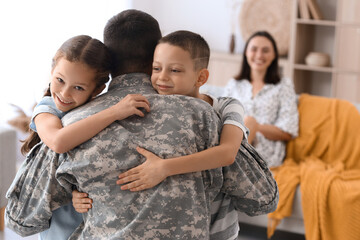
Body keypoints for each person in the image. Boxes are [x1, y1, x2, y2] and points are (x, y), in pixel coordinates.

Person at [6, 10, 278, 239]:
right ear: (155, 55)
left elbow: (20, 218)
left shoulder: (70, 123)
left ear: (108, 60)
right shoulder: (204, 115)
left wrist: (73, 196)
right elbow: (263, 198)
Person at [73, 30, 249, 240]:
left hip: (218, 226)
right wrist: (78, 194)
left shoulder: (226, 106)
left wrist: (164, 168)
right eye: (156, 68)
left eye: (174, 70)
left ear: (201, 77)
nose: (162, 77)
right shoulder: (152, 102)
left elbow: (228, 153)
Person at [19, 34, 150, 240]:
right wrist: (115, 111)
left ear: (97, 89)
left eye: (78, 87)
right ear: (52, 70)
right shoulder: (47, 108)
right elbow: (58, 142)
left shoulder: (92, 111)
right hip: (59, 227)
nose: (64, 93)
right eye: (60, 80)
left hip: (88, 222)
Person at [223, 31, 299, 167]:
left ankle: (228, 165)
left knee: (248, 122)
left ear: (274, 55)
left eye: (265, 51)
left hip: (266, 149)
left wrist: (255, 127)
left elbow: (287, 132)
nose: (259, 55)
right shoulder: (234, 84)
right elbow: (220, 118)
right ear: (246, 52)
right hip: (230, 140)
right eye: (254, 49)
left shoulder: (283, 85)